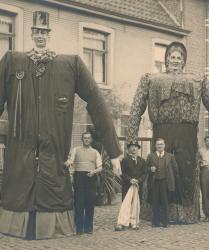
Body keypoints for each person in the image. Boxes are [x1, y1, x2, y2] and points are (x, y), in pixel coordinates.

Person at [0, 11, 121, 240]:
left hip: (53, 155)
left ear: (49, 34)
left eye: (44, 32)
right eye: (36, 31)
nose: (40, 36)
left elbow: (96, 99)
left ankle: (51, 228)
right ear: (31, 33)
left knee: (51, 184)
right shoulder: (12, 62)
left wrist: (113, 151)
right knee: (21, 181)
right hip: (21, 154)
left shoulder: (70, 65)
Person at [127, 41, 209, 223]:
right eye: (172, 57)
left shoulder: (197, 80)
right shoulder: (150, 79)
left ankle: (184, 215)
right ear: (166, 60)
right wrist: (131, 142)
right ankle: (159, 213)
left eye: (179, 57)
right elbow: (135, 110)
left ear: (183, 61)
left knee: (185, 172)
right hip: (162, 131)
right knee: (159, 171)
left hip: (186, 134)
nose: (175, 60)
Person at [65, 132, 102, 234]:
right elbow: (70, 161)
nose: (86, 140)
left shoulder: (95, 152)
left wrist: (93, 172)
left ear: (91, 140)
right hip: (79, 178)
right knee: (79, 203)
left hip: (91, 178)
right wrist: (68, 163)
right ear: (82, 139)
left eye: (88, 138)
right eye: (85, 138)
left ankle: (88, 228)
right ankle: (79, 228)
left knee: (89, 204)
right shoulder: (76, 150)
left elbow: (100, 167)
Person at [115, 140, 147, 231]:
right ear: (128, 149)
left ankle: (134, 222)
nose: (133, 148)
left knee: (136, 203)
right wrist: (130, 180)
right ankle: (123, 222)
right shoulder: (125, 160)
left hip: (137, 185)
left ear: (138, 149)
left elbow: (145, 174)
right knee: (126, 203)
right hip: (127, 185)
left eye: (135, 147)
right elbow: (122, 173)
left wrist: (138, 180)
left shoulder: (142, 161)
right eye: (131, 147)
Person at [147, 138, 178, 227]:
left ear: (164, 145)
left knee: (165, 202)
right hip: (155, 182)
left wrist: (172, 180)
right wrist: (150, 169)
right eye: (158, 144)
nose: (160, 146)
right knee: (155, 202)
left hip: (166, 182)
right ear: (155, 146)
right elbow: (145, 169)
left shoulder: (170, 156)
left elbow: (176, 169)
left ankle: (165, 222)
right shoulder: (150, 156)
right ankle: (155, 222)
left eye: (161, 144)